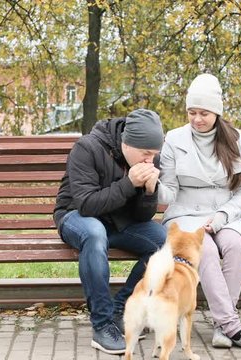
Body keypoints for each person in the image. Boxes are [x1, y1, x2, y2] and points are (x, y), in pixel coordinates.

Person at [157, 74, 241, 351]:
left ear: (217, 113)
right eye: (192, 112)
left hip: (224, 212)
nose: (197, 119)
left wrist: (222, 216)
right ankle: (233, 327)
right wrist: (152, 186)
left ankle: (222, 326)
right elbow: (169, 192)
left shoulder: (233, 138)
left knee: (233, 245)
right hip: (184, 213)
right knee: (204, 250)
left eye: (204, 113)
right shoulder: (174, 138)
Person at [53, 108, 166, 355]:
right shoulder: (87, 148)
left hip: (117, 222)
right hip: (76, 216)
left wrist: (149, 192)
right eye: (146, 154)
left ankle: (121, 310)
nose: (150, 160)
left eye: (155, 155)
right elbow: (86, 204)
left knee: (163, 244)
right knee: (94, 234)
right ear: (128, 143)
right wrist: (128, 184)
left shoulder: (149, 159)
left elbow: (141, 217)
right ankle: (102, 325)